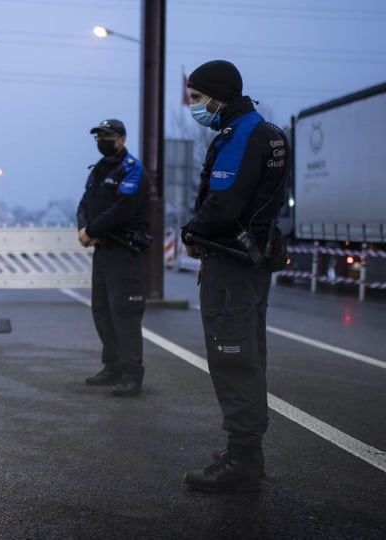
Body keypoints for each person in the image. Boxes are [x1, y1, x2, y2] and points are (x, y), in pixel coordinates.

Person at [180, 60, 289, 492]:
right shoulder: (269, 132)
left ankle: (242, 460)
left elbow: (223, 204)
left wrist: (192, 231)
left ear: (217, 95)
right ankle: (247, 452)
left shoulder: (242, 132)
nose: (193, 107)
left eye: (196, 99)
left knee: (232, 356)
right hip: (251, 260)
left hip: (231, 262)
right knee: (247, 353)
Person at [76, 118, 150, 397]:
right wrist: (84, 229)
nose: (101, 140)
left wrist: (92, 229)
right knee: (103, 311)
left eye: (106, 136)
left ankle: (132, 374)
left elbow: (124, 209)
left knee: (125, 314)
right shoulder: (99, 170)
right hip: (103, 250)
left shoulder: (131, 170)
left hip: (125, 252)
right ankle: (112, 367)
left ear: (121, 139)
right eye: (98, 136)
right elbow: (84, 203)